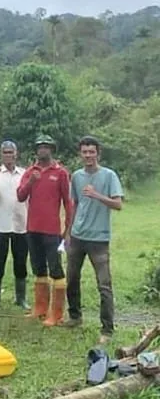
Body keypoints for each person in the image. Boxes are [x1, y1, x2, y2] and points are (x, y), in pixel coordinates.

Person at [63, 136, 123, 345]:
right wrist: (68, 231)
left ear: (98, 153)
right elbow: (75, 205)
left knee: (104, 285)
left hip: (99, 238)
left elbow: (118, 204)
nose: (88, 155)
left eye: (91, 152)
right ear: (80, 154)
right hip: (78, 236)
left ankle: (107, 329)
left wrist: (97, 195)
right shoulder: (77, 176)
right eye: (84, 152)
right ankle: (75, 316)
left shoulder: (109, 175)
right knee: (72, 278)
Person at [17, 134, 73, 326]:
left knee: (55, 269)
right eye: (40, 147)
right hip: (33, 228)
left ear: (52, 150)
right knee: (38, 268)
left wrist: (68, 229)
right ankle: (40, 308)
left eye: (46, 147)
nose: (43, 150)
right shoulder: (30, 172)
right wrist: (31, 181)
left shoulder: (61, 173)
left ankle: (56, 314)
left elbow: (68, 202)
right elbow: (20, 196)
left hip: (52, 230)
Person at [0, 140, 30, 310]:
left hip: (20, 225)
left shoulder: (23, 173)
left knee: (20, 262)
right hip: (0, 225)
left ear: (16, 154)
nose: (8, 155)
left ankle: (21, 298)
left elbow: (28, 196)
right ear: (1, 154)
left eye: (11, 152)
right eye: (5, 152)